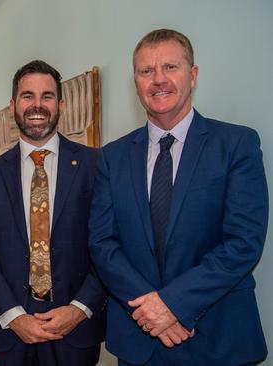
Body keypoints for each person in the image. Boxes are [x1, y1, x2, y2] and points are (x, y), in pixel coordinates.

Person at [88, 28, 268, 366]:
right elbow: (102, 243)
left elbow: (244, 242)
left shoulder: (236, 145)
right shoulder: (111, 158)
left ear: (193, 74)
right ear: (136, 82)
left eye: (170, 67)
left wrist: (171, 304)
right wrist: (150, 308)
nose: (158, 80)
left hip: (219, 339)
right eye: (146, 71)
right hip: (139, 341)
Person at [0, 60, 106, 365]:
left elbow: (108, 244)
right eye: (27, 96)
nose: (37, 105)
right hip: (12, 332)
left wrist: (80, 308)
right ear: (13, 105)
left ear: (61, 104)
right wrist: (14, 316)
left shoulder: (94, 165)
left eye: (46, 96)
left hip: (75, 329)